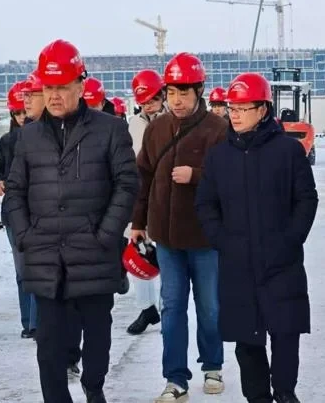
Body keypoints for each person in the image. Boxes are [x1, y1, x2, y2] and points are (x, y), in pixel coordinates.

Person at [2, 39, 138, 403]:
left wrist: (105, 234)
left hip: (93, 253)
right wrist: (25, 235)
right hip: (46, 255)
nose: (54, 95)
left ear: (81, 85)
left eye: (62, 87)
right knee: (48, 347)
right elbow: (15, 190)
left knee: (97, 340)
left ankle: (94, 386)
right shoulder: (28, 137)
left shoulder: (110, 130)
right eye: (48, 87)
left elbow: (127, 184)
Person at [195, 72, 319, 403]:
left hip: (281, 260)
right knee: (247, 341)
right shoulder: (219, 156)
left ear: (263, 109)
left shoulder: (288, 151)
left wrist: (291, 239)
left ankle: (285, 392)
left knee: (285, 333)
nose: (234, 115)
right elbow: (206, 204)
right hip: (238, 263)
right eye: (231, 108)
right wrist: (222, 240)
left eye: (242, 108)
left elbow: (306, 199)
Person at [130, 51, 229, 402]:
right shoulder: (156, 129)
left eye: (183, 92)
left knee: (209, 306)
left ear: (199, 91)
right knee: (171, 307)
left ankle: (212, 365)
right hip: (167, 238)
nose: (176, 100)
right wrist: (138, 222)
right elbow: (143, 177)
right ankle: (175, 378)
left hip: (205, 238)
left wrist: (196, 175)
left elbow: (231, 179)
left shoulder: (218, 129)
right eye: (171, 92)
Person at [0, 79, 38, 339]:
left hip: (38, 211)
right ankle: (29, 322)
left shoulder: (42, 137)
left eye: (24, 111)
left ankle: (37, 321)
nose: (22, 116)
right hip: (14, 213)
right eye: (17, 113)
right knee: (23, 270)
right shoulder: (7, 141)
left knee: (38, 268)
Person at [126, 69, 168, 336]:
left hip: (166, 196)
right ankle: (146, 308)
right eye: (144, 101)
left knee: (166, 256)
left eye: (153, 100)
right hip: (140, 195)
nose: (149, 105)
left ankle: (167, 310)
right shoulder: (134, 123)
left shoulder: (173, 120)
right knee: (137, 253)